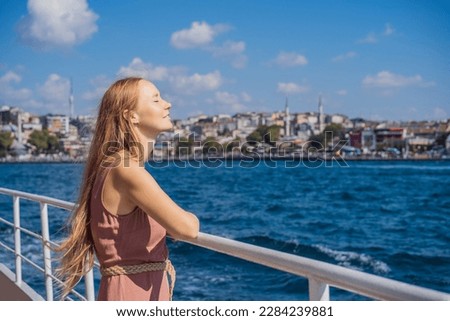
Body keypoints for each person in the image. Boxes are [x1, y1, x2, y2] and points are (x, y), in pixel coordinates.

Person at [57, 77, 199, 301]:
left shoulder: (114, 164)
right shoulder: (127, 170)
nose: (167, 104)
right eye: (156, 99)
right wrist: (191, 218)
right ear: (131, 116)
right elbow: (187, 229)